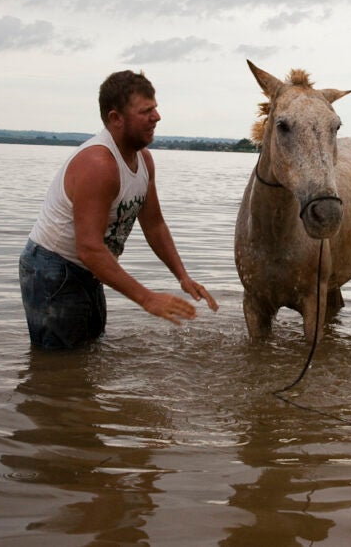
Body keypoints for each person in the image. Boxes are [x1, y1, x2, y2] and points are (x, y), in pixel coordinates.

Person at [19, 70, 219, 349]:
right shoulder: (99, 165)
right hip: (54, 269)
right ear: (116, 118)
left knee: (89, 352)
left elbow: (155, 225)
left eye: (156, 108)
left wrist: (182, 276)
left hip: (90, 268)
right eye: (146, 111)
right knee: (59, 368)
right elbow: (88, 247)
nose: (157, 117)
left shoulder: (144, 160)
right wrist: (147, 298)